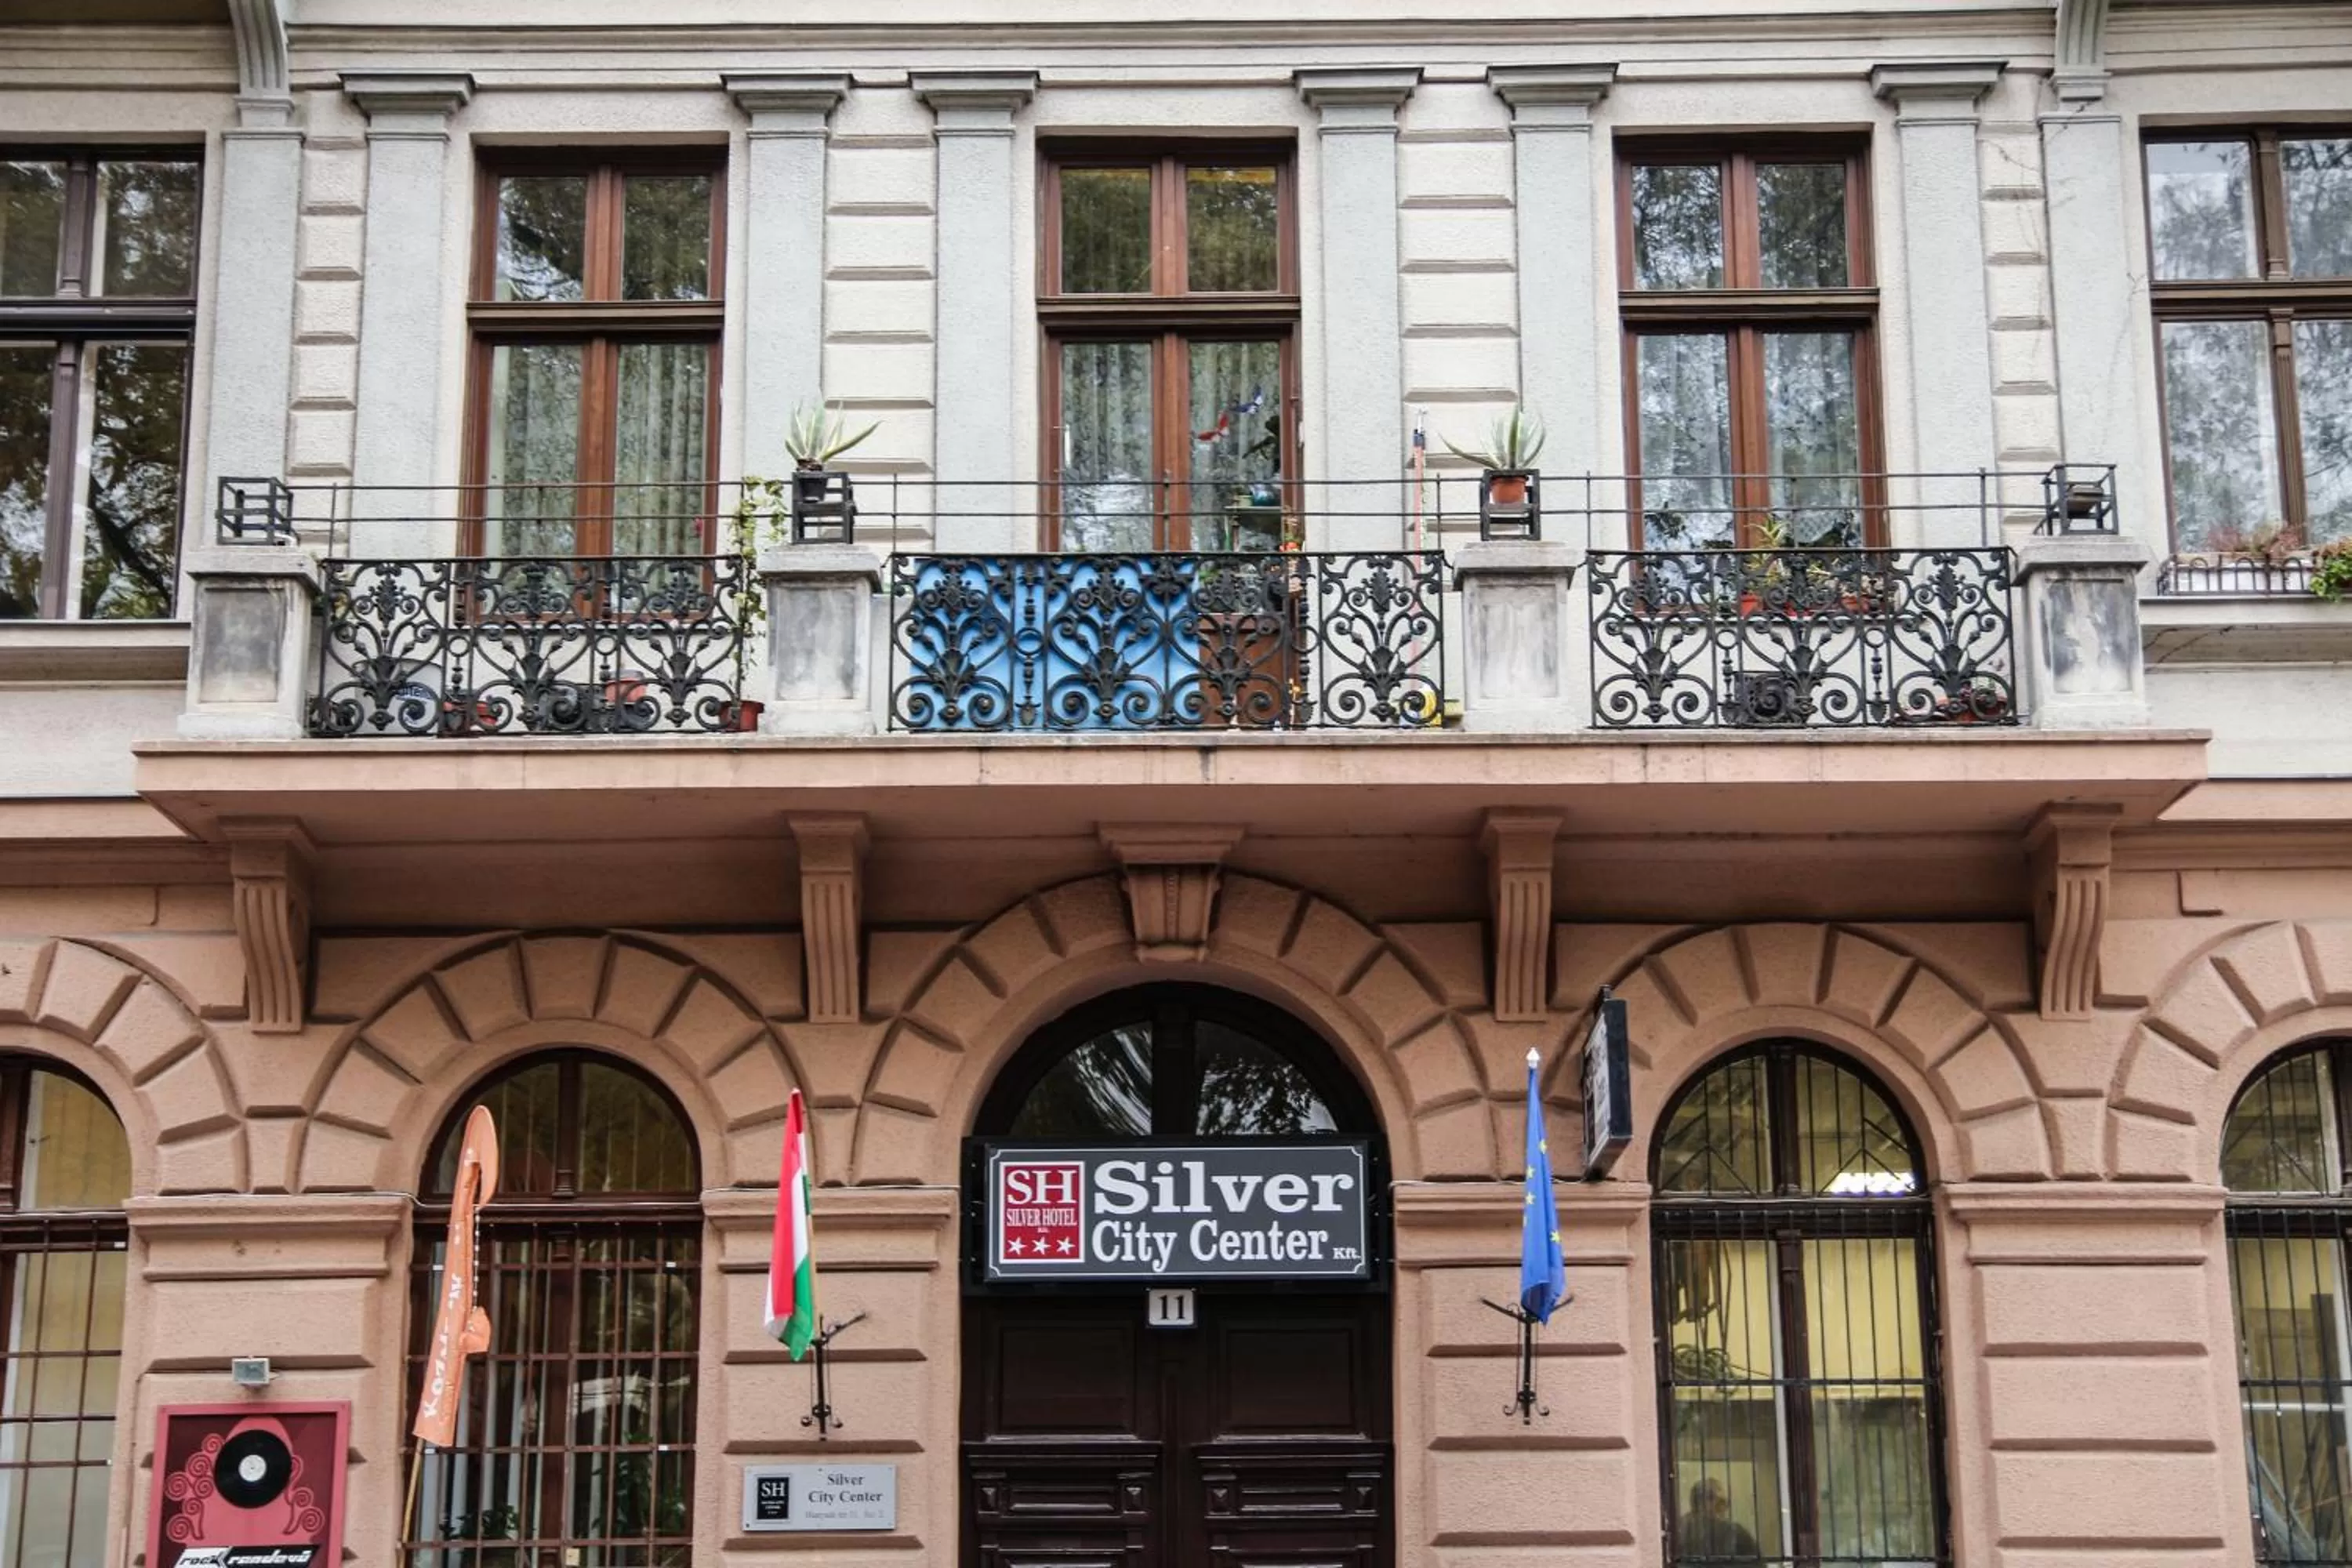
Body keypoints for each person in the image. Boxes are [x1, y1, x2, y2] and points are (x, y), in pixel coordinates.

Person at [1676, 1477, 1762, 1562]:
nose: (1722, 1507)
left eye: (1723, 1502)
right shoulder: (1734, 1532)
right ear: (1697, 1503)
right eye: (1711, 1498)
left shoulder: (1679, 1529)